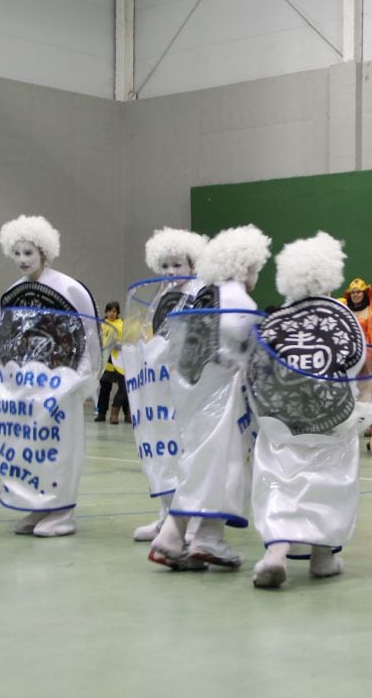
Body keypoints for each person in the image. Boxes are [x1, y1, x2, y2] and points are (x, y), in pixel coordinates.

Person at [247, 232, 372, 589]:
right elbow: (358, 364)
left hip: (281, 420)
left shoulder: (277, 318)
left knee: (280, 480)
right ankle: (323, 557)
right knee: (330, 483)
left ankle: (276, 552)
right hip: (331, 421)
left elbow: (258, 369)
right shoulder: (342, 315)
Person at [148, 225, 270, 570]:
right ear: (246, 265)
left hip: (193, 397)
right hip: (225, 400)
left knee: (198, 466)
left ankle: (172, 537)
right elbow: (242, 348)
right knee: (225, 467)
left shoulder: (202, 295)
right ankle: (208, 538)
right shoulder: (239, 300)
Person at [0, 215, 101, 537]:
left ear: (44, 252)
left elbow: (90, 334)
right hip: (25, 387)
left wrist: (83, 378)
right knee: (30, 444)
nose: (23, 260)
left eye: (29, 253)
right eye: (18, 253)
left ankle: (63, 509)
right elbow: (5, 336)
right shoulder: (13, 291)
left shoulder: (69, 288)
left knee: (61, 445)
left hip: (61, 382)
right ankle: (39, 505)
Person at [122, 227, 208, 542]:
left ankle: (191, 522)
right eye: (166, 266)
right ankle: (166, 515)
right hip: (161, 392)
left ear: (193, 264)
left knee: (186, 453)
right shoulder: (161, 297)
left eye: (178, 265)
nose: (172, 272)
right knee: (162, 451)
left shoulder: (202, 294)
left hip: (190, 390)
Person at [95, 301, 128, 424]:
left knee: (124, 387)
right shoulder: (101, 325)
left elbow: (128, 338)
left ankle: (126, 413)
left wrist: (120, 345)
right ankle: (101, 413)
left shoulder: (123, 324)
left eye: (114, 311)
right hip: (107, 359)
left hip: (120, 359)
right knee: (104, 387)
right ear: (106, 312)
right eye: (109, 311)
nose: (111, 313)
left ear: (118, 312)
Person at [343, 278, 372, 345]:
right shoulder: (346, 311)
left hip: (366, 350)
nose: (355, 295)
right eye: (353, 293)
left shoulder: (370, 311)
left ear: (364, 293)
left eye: (358, 292)